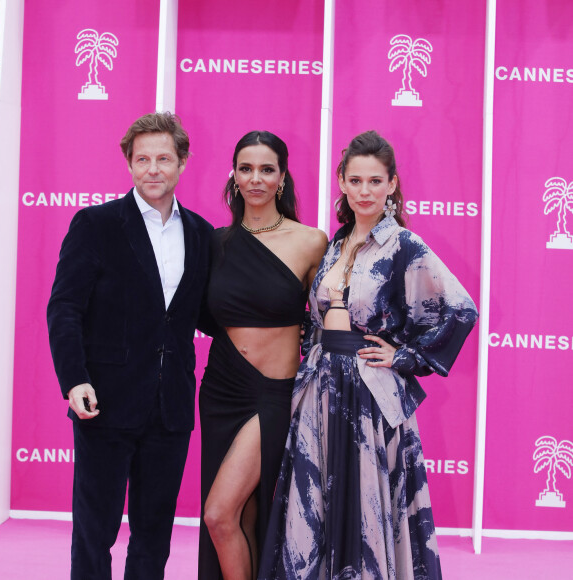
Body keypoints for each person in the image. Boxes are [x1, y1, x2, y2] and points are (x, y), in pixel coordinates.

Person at [258, 130, 478, 580]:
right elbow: (315, 320)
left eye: (375, 181)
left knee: (368, 511)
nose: (364, 191)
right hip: (319, 394)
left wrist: (404, 356)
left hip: (370, 399)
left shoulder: (404, 247)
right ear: (341, 182)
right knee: (311, 504)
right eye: (355, 180)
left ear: (392, 185)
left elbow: (461, 310)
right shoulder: (332, 245)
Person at [47, 112, 214, 580]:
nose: (153, 169)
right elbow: (64, 308)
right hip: (103, 401)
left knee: (154, 534)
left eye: (164, 158)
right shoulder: (96, 224)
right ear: (129, 164)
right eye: (143, 159)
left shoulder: (201, 234)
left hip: (172, 408)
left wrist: (278, 327)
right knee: (94, 531)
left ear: (182, 163)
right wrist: (74, 378)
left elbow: (205, 314)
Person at [197, 131, 328, 580]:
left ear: (282, 177)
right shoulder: (215, 243)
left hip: (274, 395)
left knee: (221, 512)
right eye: (246, 168)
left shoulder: (311, 241)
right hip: (220, 389)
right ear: (233, 176)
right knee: (239, 516)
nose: (256, 178)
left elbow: (332, 315)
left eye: (266, 169)